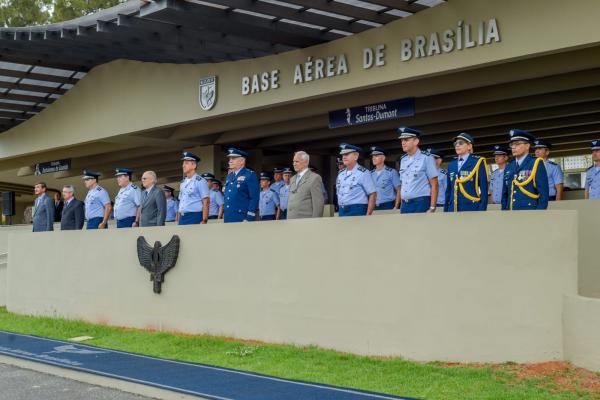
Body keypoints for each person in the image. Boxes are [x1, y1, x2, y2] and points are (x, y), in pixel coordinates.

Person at [501, 129, 549, 210]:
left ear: (527, 146)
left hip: (529, 213)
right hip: (510, 213)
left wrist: (539, 215)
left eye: (517, 144)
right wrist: (504, 211)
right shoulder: (509, 166)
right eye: (512, 144)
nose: (513, 147)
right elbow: (505, 194)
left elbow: (543, 194)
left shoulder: (536, 163)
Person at [397, 127, 439, 214]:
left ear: (416, 141)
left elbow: (434, 184)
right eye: (402, 140)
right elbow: (403, 184)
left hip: (420, 203)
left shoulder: (427, 158)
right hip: (405, 204)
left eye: (406, 140)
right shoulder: (403, 160)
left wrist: (432, 207)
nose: (403, 143)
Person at [444, 133, 488, 212]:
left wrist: (482, 210)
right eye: (455, 143)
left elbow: (484, 189)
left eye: (460, 143)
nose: (457, 145)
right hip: (453, 209)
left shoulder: (477, 162)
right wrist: (446, 210)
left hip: (471, 208)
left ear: (469, 146)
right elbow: (449, 190)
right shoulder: (451, 164)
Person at [336, 143, 376, 217]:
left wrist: (368, 214)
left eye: (347, 154)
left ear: (356, 156)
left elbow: (372, 194)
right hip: (342, 210)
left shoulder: (363, 173)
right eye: (343, 155)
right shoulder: (340, 174)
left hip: (357, 209)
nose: (344, 157)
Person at [224, 147, 260, 223]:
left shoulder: (250, 175)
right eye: (229, 159)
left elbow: (254, 198)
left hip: (242, 217)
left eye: (233, 158)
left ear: (242, 161)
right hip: (228, 216)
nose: (230, 161)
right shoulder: (229, 176)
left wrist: (249, 217)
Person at [288, 151, 325, 219]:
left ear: (306, 162)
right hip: (291, 221)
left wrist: (315, 223)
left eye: (297, 161)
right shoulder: (292, 179)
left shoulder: (314, 178)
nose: (294, 164)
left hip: (306, 222)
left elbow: (318, 204)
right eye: (293, 161)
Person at [177, 152, 210, 225]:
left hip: (194, 216)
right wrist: (179, 220)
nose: (183, 166)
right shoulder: (182, 182)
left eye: (186, 163)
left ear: (194, 165)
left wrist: (204, 220)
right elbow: (181, 202)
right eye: (183, 163)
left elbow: (206, 202)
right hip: (183, 217)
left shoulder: (200, 181)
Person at [369, 146, 400, 210]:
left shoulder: (391, 172)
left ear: (383, 158)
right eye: (373, 156)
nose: (373, 158)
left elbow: (399, 190)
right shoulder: (370, 174)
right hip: (373, 206)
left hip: (387, 205)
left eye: (376, 156)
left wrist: (396, 206)